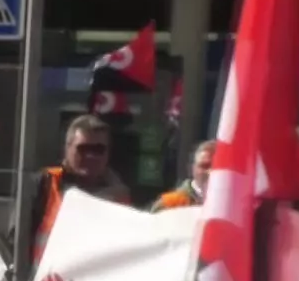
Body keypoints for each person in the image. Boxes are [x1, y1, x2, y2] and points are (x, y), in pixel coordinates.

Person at [21, 114, 132, 266]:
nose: (91, 156)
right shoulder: (44, 183)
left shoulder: (120, 196)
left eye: (98, 149)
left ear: (108, 153)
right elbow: (16, 241)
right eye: (83, 148)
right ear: (68, 148)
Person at [151, 140, 215, 211]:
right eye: (204, 166)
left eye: (217, 167)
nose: (210, 172)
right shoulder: (169, 204)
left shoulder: (227, 206)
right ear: (192, 168)